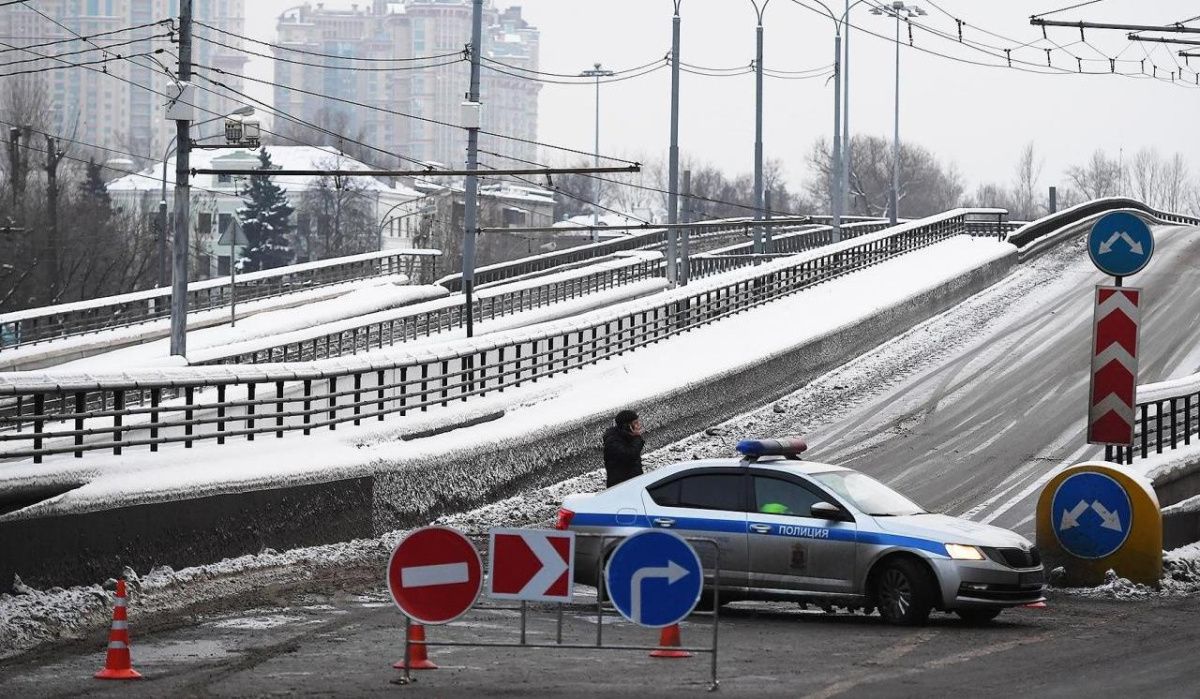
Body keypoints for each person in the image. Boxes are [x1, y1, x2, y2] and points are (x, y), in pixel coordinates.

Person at [602, 409, 645, 488]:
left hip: (633, 483)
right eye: (635, 423)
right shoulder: (613, 441)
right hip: (621, 487)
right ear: (626, 426)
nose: (639, 425)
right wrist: (637, 438)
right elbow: (630, 455)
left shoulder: (627, 437)